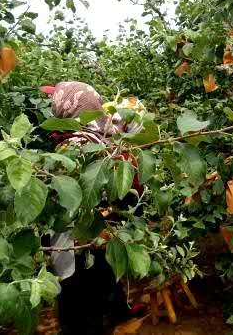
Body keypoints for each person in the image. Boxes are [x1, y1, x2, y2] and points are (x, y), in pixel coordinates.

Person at [40, 81, 142, 335]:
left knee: (79, 299)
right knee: (98, 283)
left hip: (78, 237)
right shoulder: (104, 135)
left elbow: (63, 199)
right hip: (101, 230)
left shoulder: (75, 146)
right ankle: (116, 310)